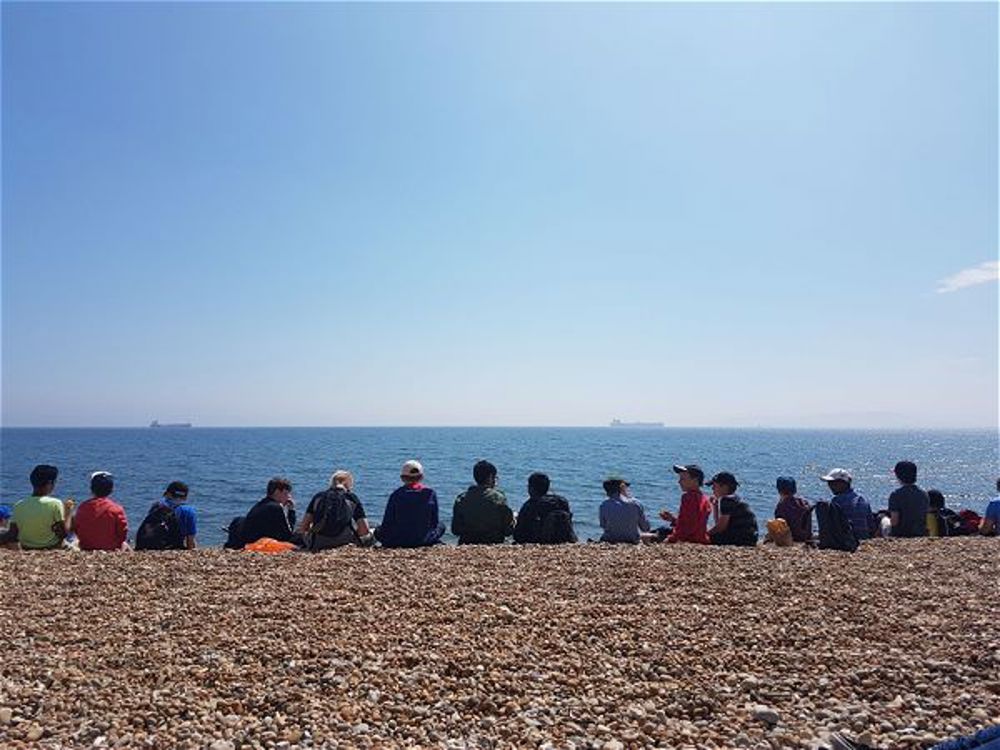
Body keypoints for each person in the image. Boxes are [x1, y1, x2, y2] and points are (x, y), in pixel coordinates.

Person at [374, 461, 445, 548]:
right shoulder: (430, 493)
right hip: (423, 540)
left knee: (377, 530)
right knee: (441, 526)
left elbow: (387, 522)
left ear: (402, 478)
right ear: (422, 477)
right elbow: (434, 521)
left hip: (397, 540)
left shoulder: (396, 494)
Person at [1, 465, 69, 550]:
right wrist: (68, 513)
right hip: (52, 546)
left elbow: (12, 534)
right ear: (49, 483)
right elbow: (63, 534)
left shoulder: (19, 505)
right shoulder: (55, 503)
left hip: (26, 547)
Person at [298, 470, 371, 550]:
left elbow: (303, 527)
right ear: (349, 485)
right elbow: (364, 530)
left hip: (318, 542)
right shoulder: (351, 498)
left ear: (331, 483)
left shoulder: (318, 497)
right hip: (344, 541)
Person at [452, 460, 514, 545]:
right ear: (490, 477)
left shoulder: (461, 498)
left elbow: (455, 530)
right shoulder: (499, 497)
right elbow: (508, 530)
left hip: (467, 542)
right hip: (494, 541)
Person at [513, 472, 577, 544]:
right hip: (564, 539)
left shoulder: (530, 505)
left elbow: (518, 535)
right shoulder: (561, 502)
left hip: (538, 541)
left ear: (531, 488)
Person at [74, 471, 129, 551]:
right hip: (111, 548)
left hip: (86, 547)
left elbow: (77, 529)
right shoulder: (116, 509)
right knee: (126, 545)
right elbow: (123, 533)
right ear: (111, 490)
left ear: (91, 489)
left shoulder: (82, 507)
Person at [135, 481, 197, 550]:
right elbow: (190, 539)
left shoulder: (157, 505)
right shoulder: (188, 510)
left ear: (167, 494)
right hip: (168, 547)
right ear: (186, 497)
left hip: (143, 546)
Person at [658, 464, 711, 544]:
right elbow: (693, 522)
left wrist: (671, 539)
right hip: (701, 538)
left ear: (695, 480)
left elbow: (686, 529)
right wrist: (673, 520)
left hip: (690, 540)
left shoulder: (688, 497)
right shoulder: (705, 499)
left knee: (644, 537)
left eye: (683, 479)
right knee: (661, 530)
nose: (679, 482)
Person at [240, 477, 299, 546]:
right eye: (286, 493)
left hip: (248, 539)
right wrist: (291, 510)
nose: (289, 497)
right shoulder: (276, 508)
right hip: (258, 544)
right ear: (277, 492)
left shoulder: (261, 504)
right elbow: (288, 534)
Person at [820, 468, 876, 540]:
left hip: (846, 540)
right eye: (829, 483)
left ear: (844, 483)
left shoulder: (837, 501)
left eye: (834, 483)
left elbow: (831, 526)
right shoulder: (863, 500)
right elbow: (871, 526)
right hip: (864, 537)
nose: (830, 486)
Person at [706, 472, 758, 547]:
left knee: (706, 538)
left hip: (741, 539)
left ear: (724, 487)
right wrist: (715, 506)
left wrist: (706, 533)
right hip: (750, 538)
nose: (712, 489)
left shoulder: (726, 500)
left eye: (714, 486)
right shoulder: (734, 499)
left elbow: (720, 527)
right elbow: (719, 524)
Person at [599, 475, 651, 544]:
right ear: (622, 489)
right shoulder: (636, 504)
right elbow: (645, 527)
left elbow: (603, 525)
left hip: (610, 539)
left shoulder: (604, 505)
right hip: (632, 540)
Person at [887, 461, 929, 538]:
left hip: (901, 534)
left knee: (884, 520)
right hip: (920, 533)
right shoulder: (924, 494)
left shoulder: (895, 495)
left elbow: (894, 522)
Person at [773, 476, 812, 542]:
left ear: (779, 490)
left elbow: (780, 526)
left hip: (793, 538)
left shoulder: (782, 506)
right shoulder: (804, 502)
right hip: (806, 536)